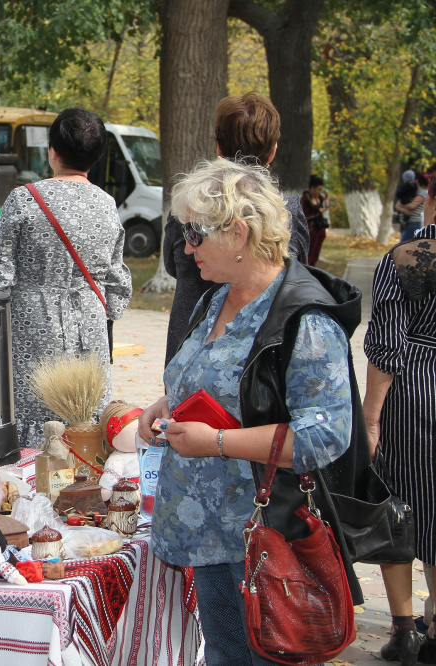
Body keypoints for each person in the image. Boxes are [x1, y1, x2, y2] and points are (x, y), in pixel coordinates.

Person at [138, 158, 362, 666]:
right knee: (223, 652)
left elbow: (325, 436)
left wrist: (216, 443)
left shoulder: (304, 321)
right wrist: (166, 404)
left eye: (194, 234)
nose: (184, 247)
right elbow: (216, 379)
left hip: (259, 539)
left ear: (239, 233)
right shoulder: (216, 299)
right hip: (212, 537)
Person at [0, 107, 132, 448]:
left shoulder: (24, 198)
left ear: (52, 151)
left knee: (36, 410)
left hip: (33, 323)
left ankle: (36, 481)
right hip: (90, 322)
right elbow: (117, 282)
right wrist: (103, 311)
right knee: (84, 409)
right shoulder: (107, 204)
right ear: (96, 156)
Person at [163, 92, 310, 365]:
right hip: (249, 348)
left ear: (218, 147)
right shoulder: (287, 211)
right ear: (273, 150)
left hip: (208, 348)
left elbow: (172, 266)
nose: (190, 244)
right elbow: (297, 274)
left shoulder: (191, 207)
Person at [363, 222, 436, 664]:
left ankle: (405, 630)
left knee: (399, 505)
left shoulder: (407, 256)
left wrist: (371, 419)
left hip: (416, 390)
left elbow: (387, 345)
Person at [301, 174, 329, 266]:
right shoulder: (305, 200)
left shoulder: (320, 199)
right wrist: (318, 212)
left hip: (319, 230)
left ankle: (312, 266)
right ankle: (307, 267)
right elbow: (304, 215)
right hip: (310, 231)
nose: (319, 192)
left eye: (321, 190)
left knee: (315, 253)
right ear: (312, 188)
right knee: (309, 253)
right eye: (318, 189)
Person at [397, 171, 428, 241]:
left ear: (416, 180)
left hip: (413, 224)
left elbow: (412, 206)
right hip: (404, 223)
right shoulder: (407, 191)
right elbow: (397, 206)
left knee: (403, 246)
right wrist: (404, 209)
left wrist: (402, 205)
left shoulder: (422, 193)